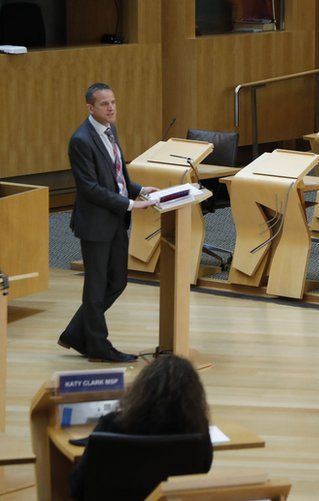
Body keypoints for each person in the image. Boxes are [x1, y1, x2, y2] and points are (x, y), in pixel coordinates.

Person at [59, 83, 157, 362]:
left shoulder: (109, 130)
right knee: (96, 284)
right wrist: (129, 204)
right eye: (104, 104)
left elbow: (115, 174)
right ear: (90, 108)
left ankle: (77, 333)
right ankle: (98, 347)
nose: (111, 107)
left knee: (117, 281)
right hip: (95, 223)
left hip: (115, 220)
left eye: (113, 102)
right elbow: (89, 187)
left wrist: (137, 189)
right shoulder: (81, 140)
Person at [69, 355, 212, 499]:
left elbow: (78, 486)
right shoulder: (198, 428)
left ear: (141, 387)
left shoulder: (111, 424)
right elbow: (204, 467)